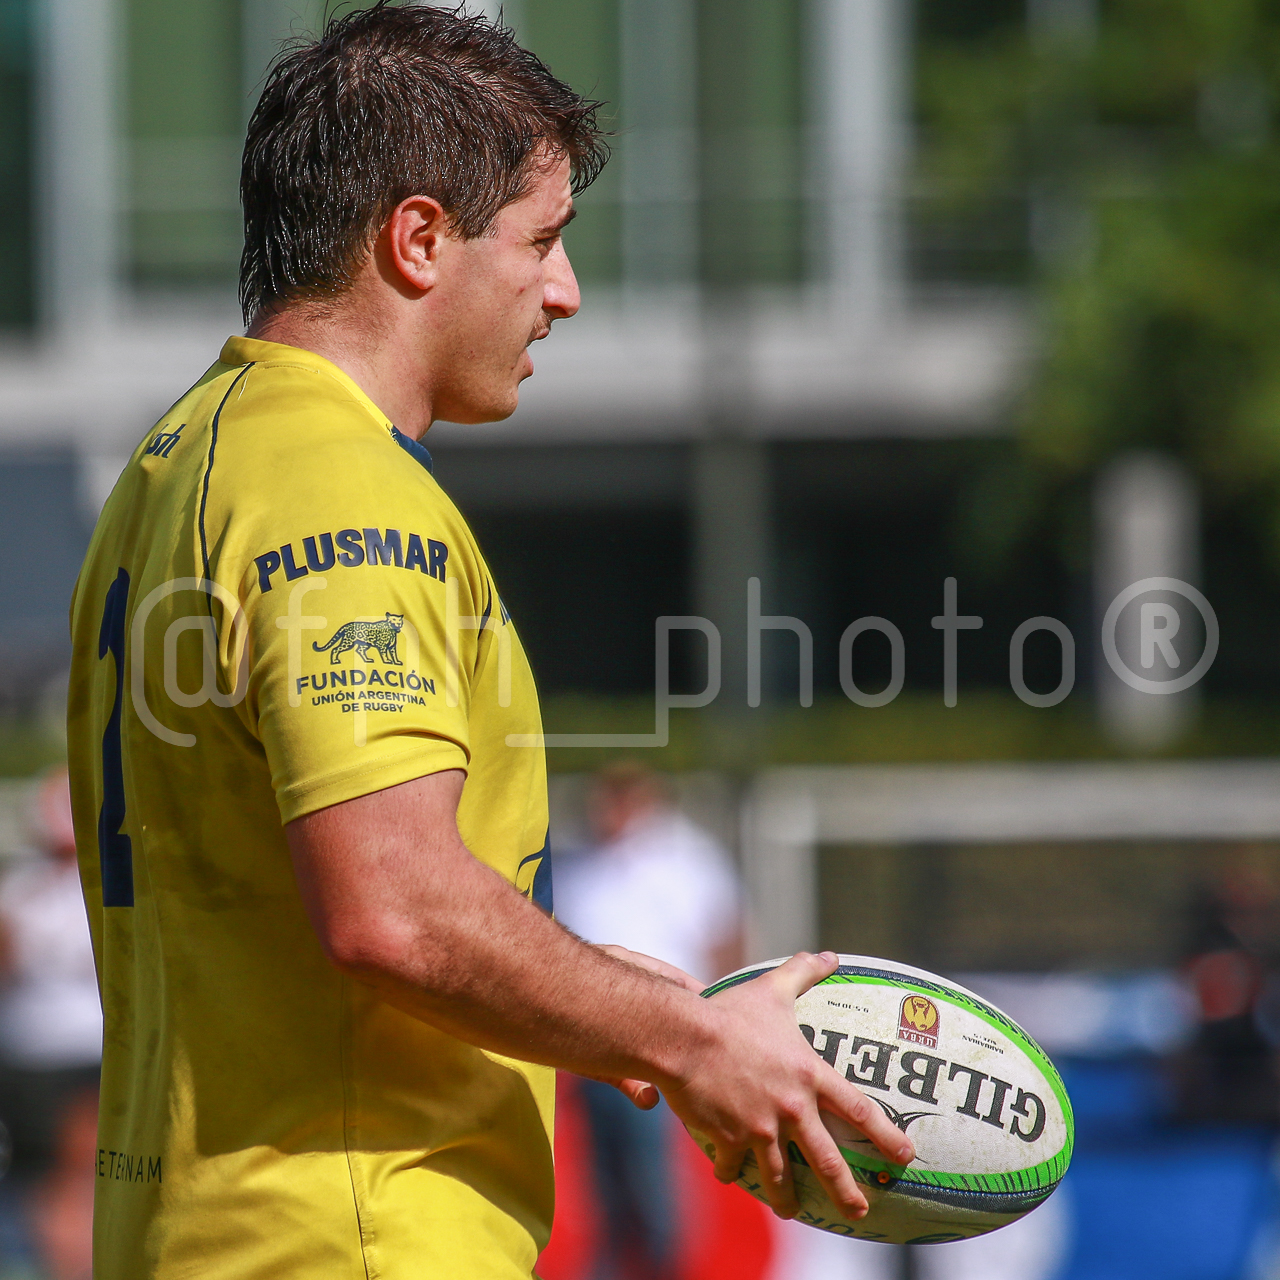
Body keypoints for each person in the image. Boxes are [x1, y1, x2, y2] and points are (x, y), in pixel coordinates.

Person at [64, 7, 913, 1279]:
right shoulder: (343, 493)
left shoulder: (178, 462)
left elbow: (313, 908)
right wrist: (686, 1044)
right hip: (353, 1241)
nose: (564, 291)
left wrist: (654, 1010)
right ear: (417, 239)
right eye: (543, 241)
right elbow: (393, 909)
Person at [554, 764, 748, 1279]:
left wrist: (719, 1026)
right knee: (603, 1184)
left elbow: (725, 940)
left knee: (654, 1182)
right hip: (592, 1047)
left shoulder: (685, 859)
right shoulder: (577, 860)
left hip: (660, 1045)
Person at [0, 768, 100, 1280]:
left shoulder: (20, 892)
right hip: (66, 1054)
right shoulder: (34, 893)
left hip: (44, 1051)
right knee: (76, 1178)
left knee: (63, 1178)